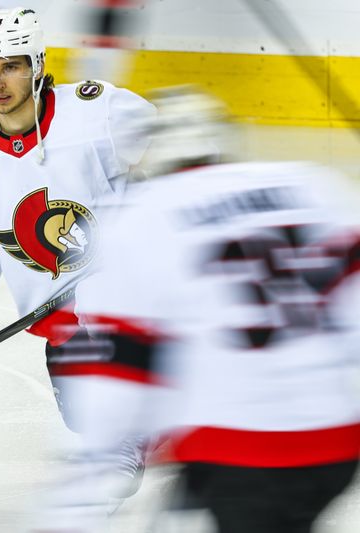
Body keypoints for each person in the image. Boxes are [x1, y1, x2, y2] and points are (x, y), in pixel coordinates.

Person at [66, 87, 360, 532]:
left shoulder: (145, 214)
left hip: (237, 447)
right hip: (340, 441)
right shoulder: (311, 183)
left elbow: (119, 383)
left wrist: (78, 492)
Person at [0, 3, 156, 495]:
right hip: (57, 315)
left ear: (37, 66)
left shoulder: (98, 111)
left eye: (11, 66)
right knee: (82, 415)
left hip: (131, 298)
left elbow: (181, 153)